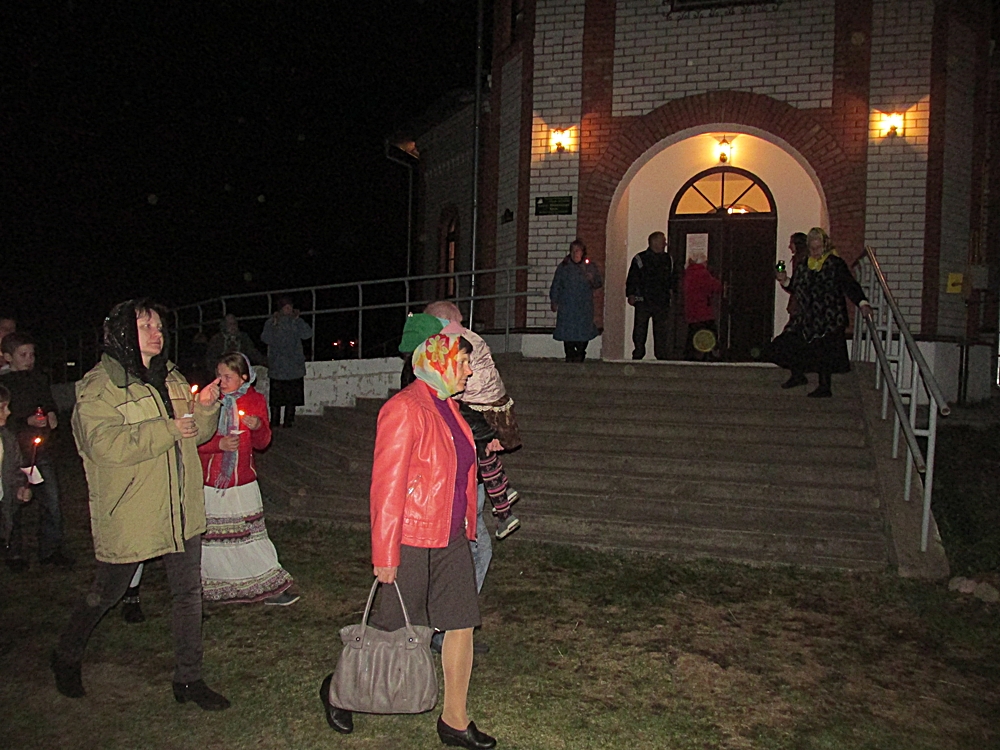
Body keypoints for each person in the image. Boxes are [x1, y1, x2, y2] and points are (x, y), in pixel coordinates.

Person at [51, 299, 230, 711]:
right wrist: (167, 429)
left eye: (159, 326)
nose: (156, 333)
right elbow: (103, 445)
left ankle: (188, 679)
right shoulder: (100, 387)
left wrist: (205, 409)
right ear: (120, 334)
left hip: (180, 506)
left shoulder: (172, 378)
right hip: (133, 508)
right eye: (145, 325)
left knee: (188, 594)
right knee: (108, 591)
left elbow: (196, 434)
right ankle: (66, 654)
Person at [321, 331, 496, 749]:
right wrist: (385, 553)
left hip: (451, 535)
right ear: (438, 362)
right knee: (391, 629)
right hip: (413, 536)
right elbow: (386, 486)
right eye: (463, 363)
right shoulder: (404, 408)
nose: (469, 371)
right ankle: (337, 689)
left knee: (461, 623)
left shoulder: (449, 407)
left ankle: (454, 720)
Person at [199, 352, 297, 605]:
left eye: (227, 377)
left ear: (244, 377)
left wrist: (258, 427)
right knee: (214, 540)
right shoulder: (208, 401)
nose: (221, 381)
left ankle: (269, 586)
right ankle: (216, 585)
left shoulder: (255, 400)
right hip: (213, 483)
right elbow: (194, 441)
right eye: (219, 375)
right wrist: (218, 444)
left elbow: (263, 443)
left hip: (243, 481)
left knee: (252, 537)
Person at [423, 301, 523, 541]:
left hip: (478, 407)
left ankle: (503, 510)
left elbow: (454, 382)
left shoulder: (453, 343)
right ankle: (504, 491)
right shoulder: (473, 337)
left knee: (483, 456)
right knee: (487, 456)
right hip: (498, 404)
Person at [766, 228, 873, 398]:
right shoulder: (804, 264)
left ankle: (824, 386)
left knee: (824, 350)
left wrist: (862, 303)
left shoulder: (835, 263)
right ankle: (798, 374)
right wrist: (784, 279)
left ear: (825, 246)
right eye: (812, 248)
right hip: (807, 316)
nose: (815, 252)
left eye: (818, 248)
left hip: (829, 316)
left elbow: (849, 284)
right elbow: (796, 287)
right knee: (783, 345)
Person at [0, 331, 73, 570]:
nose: (29, 359)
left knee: (51, 499)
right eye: (23, 355)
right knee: (13, 503)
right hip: (14, 452)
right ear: (8, 357)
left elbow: (47, 401)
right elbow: (6, 420)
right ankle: (14, 552)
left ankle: (50, 550)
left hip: (39, 450)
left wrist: (50, 414)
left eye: (32, 354)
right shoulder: (5, 384)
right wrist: (25, 421)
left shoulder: (38, 379)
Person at [261, 296, 313, 428]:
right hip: (278, 366)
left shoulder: (296, 321)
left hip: (294, 366)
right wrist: (274, 325)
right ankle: (275, 420)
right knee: (276, 397)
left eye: (290, 306)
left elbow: (307, 334)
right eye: (286, 307)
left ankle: (289, 420)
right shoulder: (272, 322)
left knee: (292, 396)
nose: (289, 309)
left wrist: (298, 321)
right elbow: (265, 338)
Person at [550, 238, 603, 362]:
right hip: (567, 305)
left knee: (583, 331)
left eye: (578, 250)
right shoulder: (564, 267)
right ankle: (570, 355)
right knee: (567, 331)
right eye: (573, 250)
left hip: (584, 306)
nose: (575, 253)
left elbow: (598, 283)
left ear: (583, 252)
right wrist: (554, 300)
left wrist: (591, 278)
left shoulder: (589, 267)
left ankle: (580, 353)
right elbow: (556, 284)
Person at [626, 231, 675, 360]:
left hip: (661, 300)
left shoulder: (668, 259)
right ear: (654, 242)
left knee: (661, 330)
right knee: (640, 329)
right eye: (663, 241)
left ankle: (661, 355)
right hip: (643, 300)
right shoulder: (640, 259)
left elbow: (671, 278)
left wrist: (671, 293)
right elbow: (632, 277)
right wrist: (631, 294)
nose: (665, 244)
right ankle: (638, 353)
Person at [0, 384, 33, 557]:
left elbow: (15, 470)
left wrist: (20, 489)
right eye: (1, 408)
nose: (8, 412)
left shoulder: (7, 439)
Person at [682, 251, 722, 361]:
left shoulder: (688, 273)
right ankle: (710, 354)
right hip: (703, 309)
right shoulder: (703, 273)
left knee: (693, 332)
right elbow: (715, 286)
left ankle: (690, 354)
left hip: (691, 309)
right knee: (709, 333)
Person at [784, 232, 809, 317]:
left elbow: (796, 285)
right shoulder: (802, 259)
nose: (789, 246)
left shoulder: (801, 260)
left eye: (791, 243)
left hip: (801, 306)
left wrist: (785, 280)